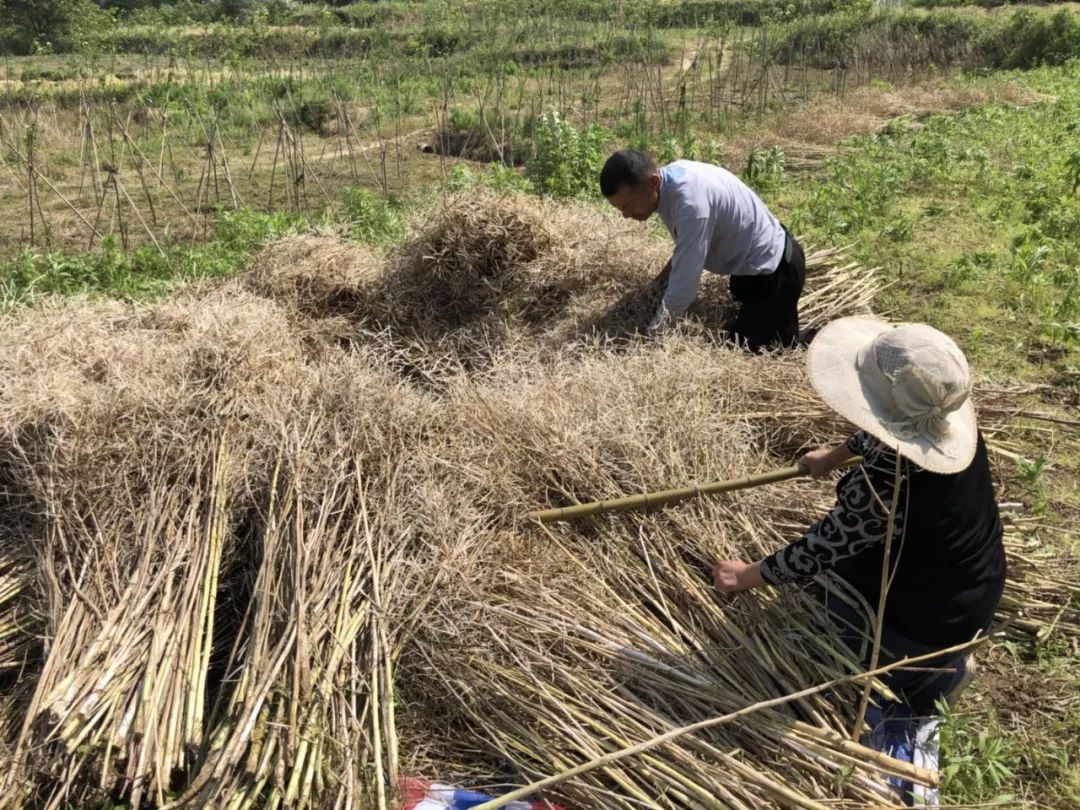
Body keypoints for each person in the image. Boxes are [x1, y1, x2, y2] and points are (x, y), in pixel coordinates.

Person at [712, 317, 1006, 716]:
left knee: (828, 622)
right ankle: (937, 664)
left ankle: (925, 675)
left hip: (932, 623)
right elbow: (890, 429)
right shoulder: (946, 427)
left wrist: (746, 575)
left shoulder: (885, 487)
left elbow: (822, 548)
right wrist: (834, 456)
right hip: (976, 584)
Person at [598, 149, 806, 350]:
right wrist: (656, 285)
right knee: (740, 331)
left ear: (653, 182)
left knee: (750, 349)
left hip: (776, 272)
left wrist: (653, 335)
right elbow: (686, 248)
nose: (626, 215)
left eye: (627, 206)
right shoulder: (671, 179)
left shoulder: (690, 206)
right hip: (750, 269)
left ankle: (823, 343)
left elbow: (683, 290)